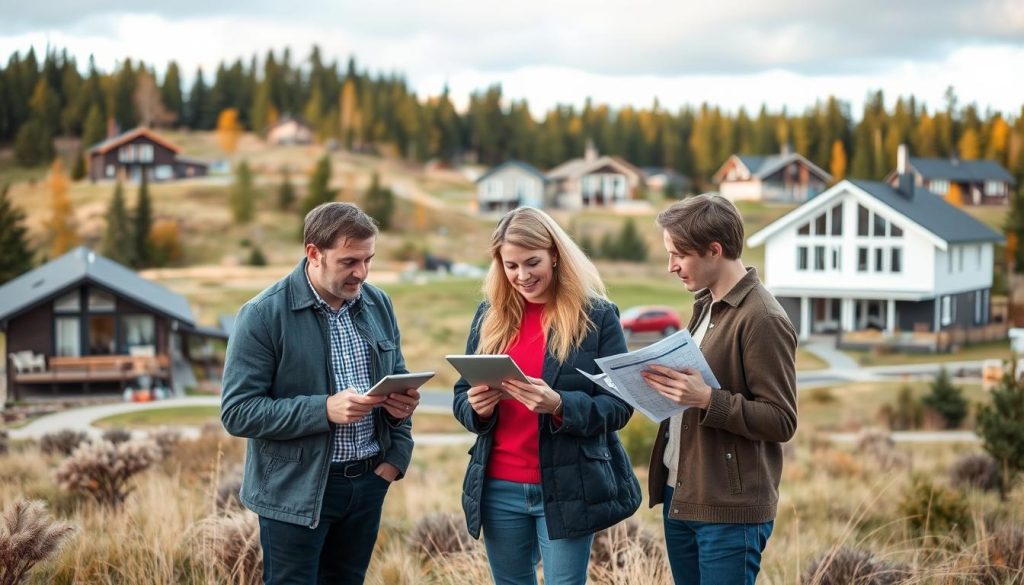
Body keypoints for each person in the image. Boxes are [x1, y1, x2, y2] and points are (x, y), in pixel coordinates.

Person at [221, 202, 419, 585]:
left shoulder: (379, 303)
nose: (360, 272)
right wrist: (324, 410)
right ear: (313, 253)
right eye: (349, 262)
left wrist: (396, 451)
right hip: (294, 494)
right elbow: (238, 411)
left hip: (367, 485)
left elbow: (398, 379)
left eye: (368, 260)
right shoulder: (262, 315)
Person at [452, 207, 642, 585]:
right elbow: (462, 395)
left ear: (555, 254)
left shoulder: (597, 317)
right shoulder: (488, 316)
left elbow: (619, 407)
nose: (522, 276)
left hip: (568, 485)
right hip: (498, 487)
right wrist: (477, 409)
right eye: (511, 266)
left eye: (532, 262)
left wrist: (559, 405)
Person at [641, 194, 798, 585]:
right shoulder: (707, 305)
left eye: (679, 255)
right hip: (684, 496)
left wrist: (707, 399)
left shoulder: (763, 318)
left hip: (728, 512)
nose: (671, 266)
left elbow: (781, 420)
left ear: (714, 250)